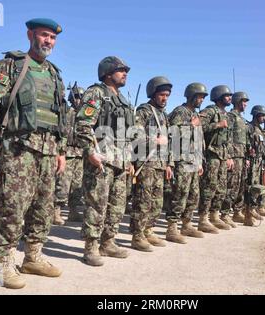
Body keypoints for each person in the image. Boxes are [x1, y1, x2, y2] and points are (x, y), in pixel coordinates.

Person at [0, 18, 67, 289]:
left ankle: (32, 257)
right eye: (44, 35)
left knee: (43, 207)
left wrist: (61, 150)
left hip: (49, 151)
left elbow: (60, 115)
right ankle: (4, 261)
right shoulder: (9, 66)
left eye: (52, 37)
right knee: (13, 206)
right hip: (18, 149)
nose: (48, 41)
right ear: (30, 35)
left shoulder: (53, 73)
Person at [75, 56, 134, 266]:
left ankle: (108, 241)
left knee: (117, 205)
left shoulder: (123, 100)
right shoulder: (96, 93)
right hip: (101, 158)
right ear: (108, 73)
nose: (125, 73)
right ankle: (91, 246)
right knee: (96, 204)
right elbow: (83, 124)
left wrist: (130, 159)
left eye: (126, 70)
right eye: (120, 70)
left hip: (121, 160)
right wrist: (90, 151)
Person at [130, 76, 174, 252]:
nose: (165, 98)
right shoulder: (144, 111)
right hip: (146, 163)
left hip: (160, 164)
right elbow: (134, 135)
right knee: (143, 200)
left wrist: (169, 164)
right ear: (154, 94)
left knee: (156, 201)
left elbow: (169, 141)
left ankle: (149, 229)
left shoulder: (163, 115)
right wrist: (153, 140)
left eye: (167, 95)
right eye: (162, 94)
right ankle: (138, 235)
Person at [166, 83, 207, 243]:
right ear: (191, 95)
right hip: (181, 159)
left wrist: (200, 162)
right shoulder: (180, 112)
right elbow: (172, 134)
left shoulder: (195, 114)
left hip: (193, 160)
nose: (201, 100)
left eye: (203, 97)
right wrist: (191, 125)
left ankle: (187, 224)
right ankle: (172, 227)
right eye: (199, 96)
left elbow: (198, 140)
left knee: (194, 194)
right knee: (180, 193)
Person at [198, 85, 234, 231]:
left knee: (221, 187)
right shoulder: (209, 110)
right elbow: (198, 126)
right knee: (209, 187)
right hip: (211, 154)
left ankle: (215, 215)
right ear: (219, 96)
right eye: (227, 95)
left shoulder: (226, 114)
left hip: (223, 155)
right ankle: (203, 218)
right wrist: (217, 124)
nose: (230, 98)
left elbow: (228, 139)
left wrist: (230, 156)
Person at [53, 84, 85, 225]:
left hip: (80, 153)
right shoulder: (66, 111)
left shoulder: (83, 114)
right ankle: (56, 211)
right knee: (63, 184)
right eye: (76, 97)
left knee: (77, 185)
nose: (78, 100)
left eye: (80, 97)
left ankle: (73, 211)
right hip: (67, 152)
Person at [224, 92, 250, 224]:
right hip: (233, 156)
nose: (245, 104)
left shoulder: (242, 119)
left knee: (240, 186)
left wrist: (246, 157)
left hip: (241, 156)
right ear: (237, 101)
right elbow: (227, 137)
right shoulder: (230, 116)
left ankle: (237, 211)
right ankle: (225, 214)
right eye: (244, 101)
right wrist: (228, 156)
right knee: (231, 186)